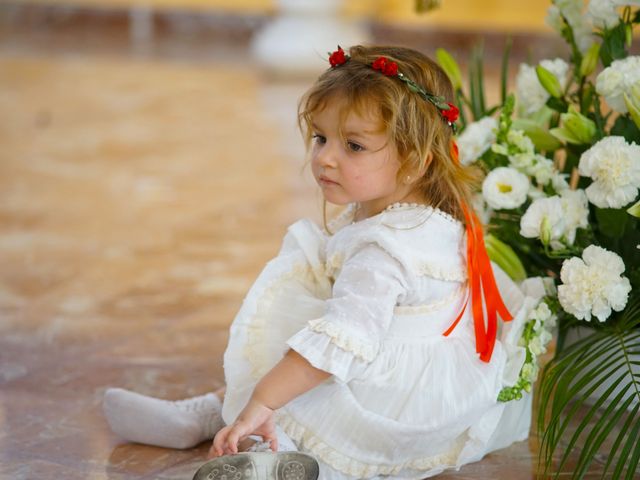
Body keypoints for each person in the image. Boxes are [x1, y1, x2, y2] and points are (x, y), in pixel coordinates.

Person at [103, 45, 537, 479]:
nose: (326, 157)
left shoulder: (383, 250)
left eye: (354, 145)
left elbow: (335, 346)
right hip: (436, 377)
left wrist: (266, 399)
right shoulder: (430, 214)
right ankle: (210, 413)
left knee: (299, 379)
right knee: (295, 343)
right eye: (321, 137)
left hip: (393, 397)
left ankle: (266, 446)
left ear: (413, 160)